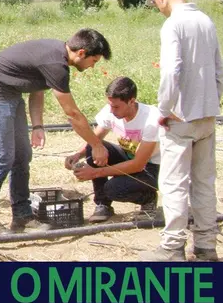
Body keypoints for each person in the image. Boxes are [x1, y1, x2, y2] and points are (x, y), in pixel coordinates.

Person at [0, 29, 112, 234]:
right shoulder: (56, 64)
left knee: (22, 156)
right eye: (94, 61)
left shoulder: (57, 56)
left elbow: (36, 88)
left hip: (10, 94)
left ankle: (22, 216)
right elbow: (72, 114)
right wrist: (96, 144)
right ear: (81, 53)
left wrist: (37, 126)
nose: (92, 66)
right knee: (3, 157)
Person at [139, 0, 223, 262]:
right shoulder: (206, 21)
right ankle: (205, 247)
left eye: (156, 1)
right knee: (203, 182)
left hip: (180, 117)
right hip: (207, 116)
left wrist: (163, 111)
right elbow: (218, 72)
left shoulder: (173, 25)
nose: (157, 7)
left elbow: (171, 73)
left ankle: (172, 246)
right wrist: (211, 104)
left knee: (174, 182)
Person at [64, 77, 160, 223]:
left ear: (131, 101)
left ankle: (148, 198)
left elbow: (138, 164)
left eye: (116, 107)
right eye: (110, 105)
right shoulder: (111, 110)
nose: (111, 110)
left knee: (113, 189)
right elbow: (94, 139)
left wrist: (94, 172)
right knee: (94, 145)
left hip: (152, 169)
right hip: (130, 158)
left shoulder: (152, 120)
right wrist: (77, 154)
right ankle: (103, 205)